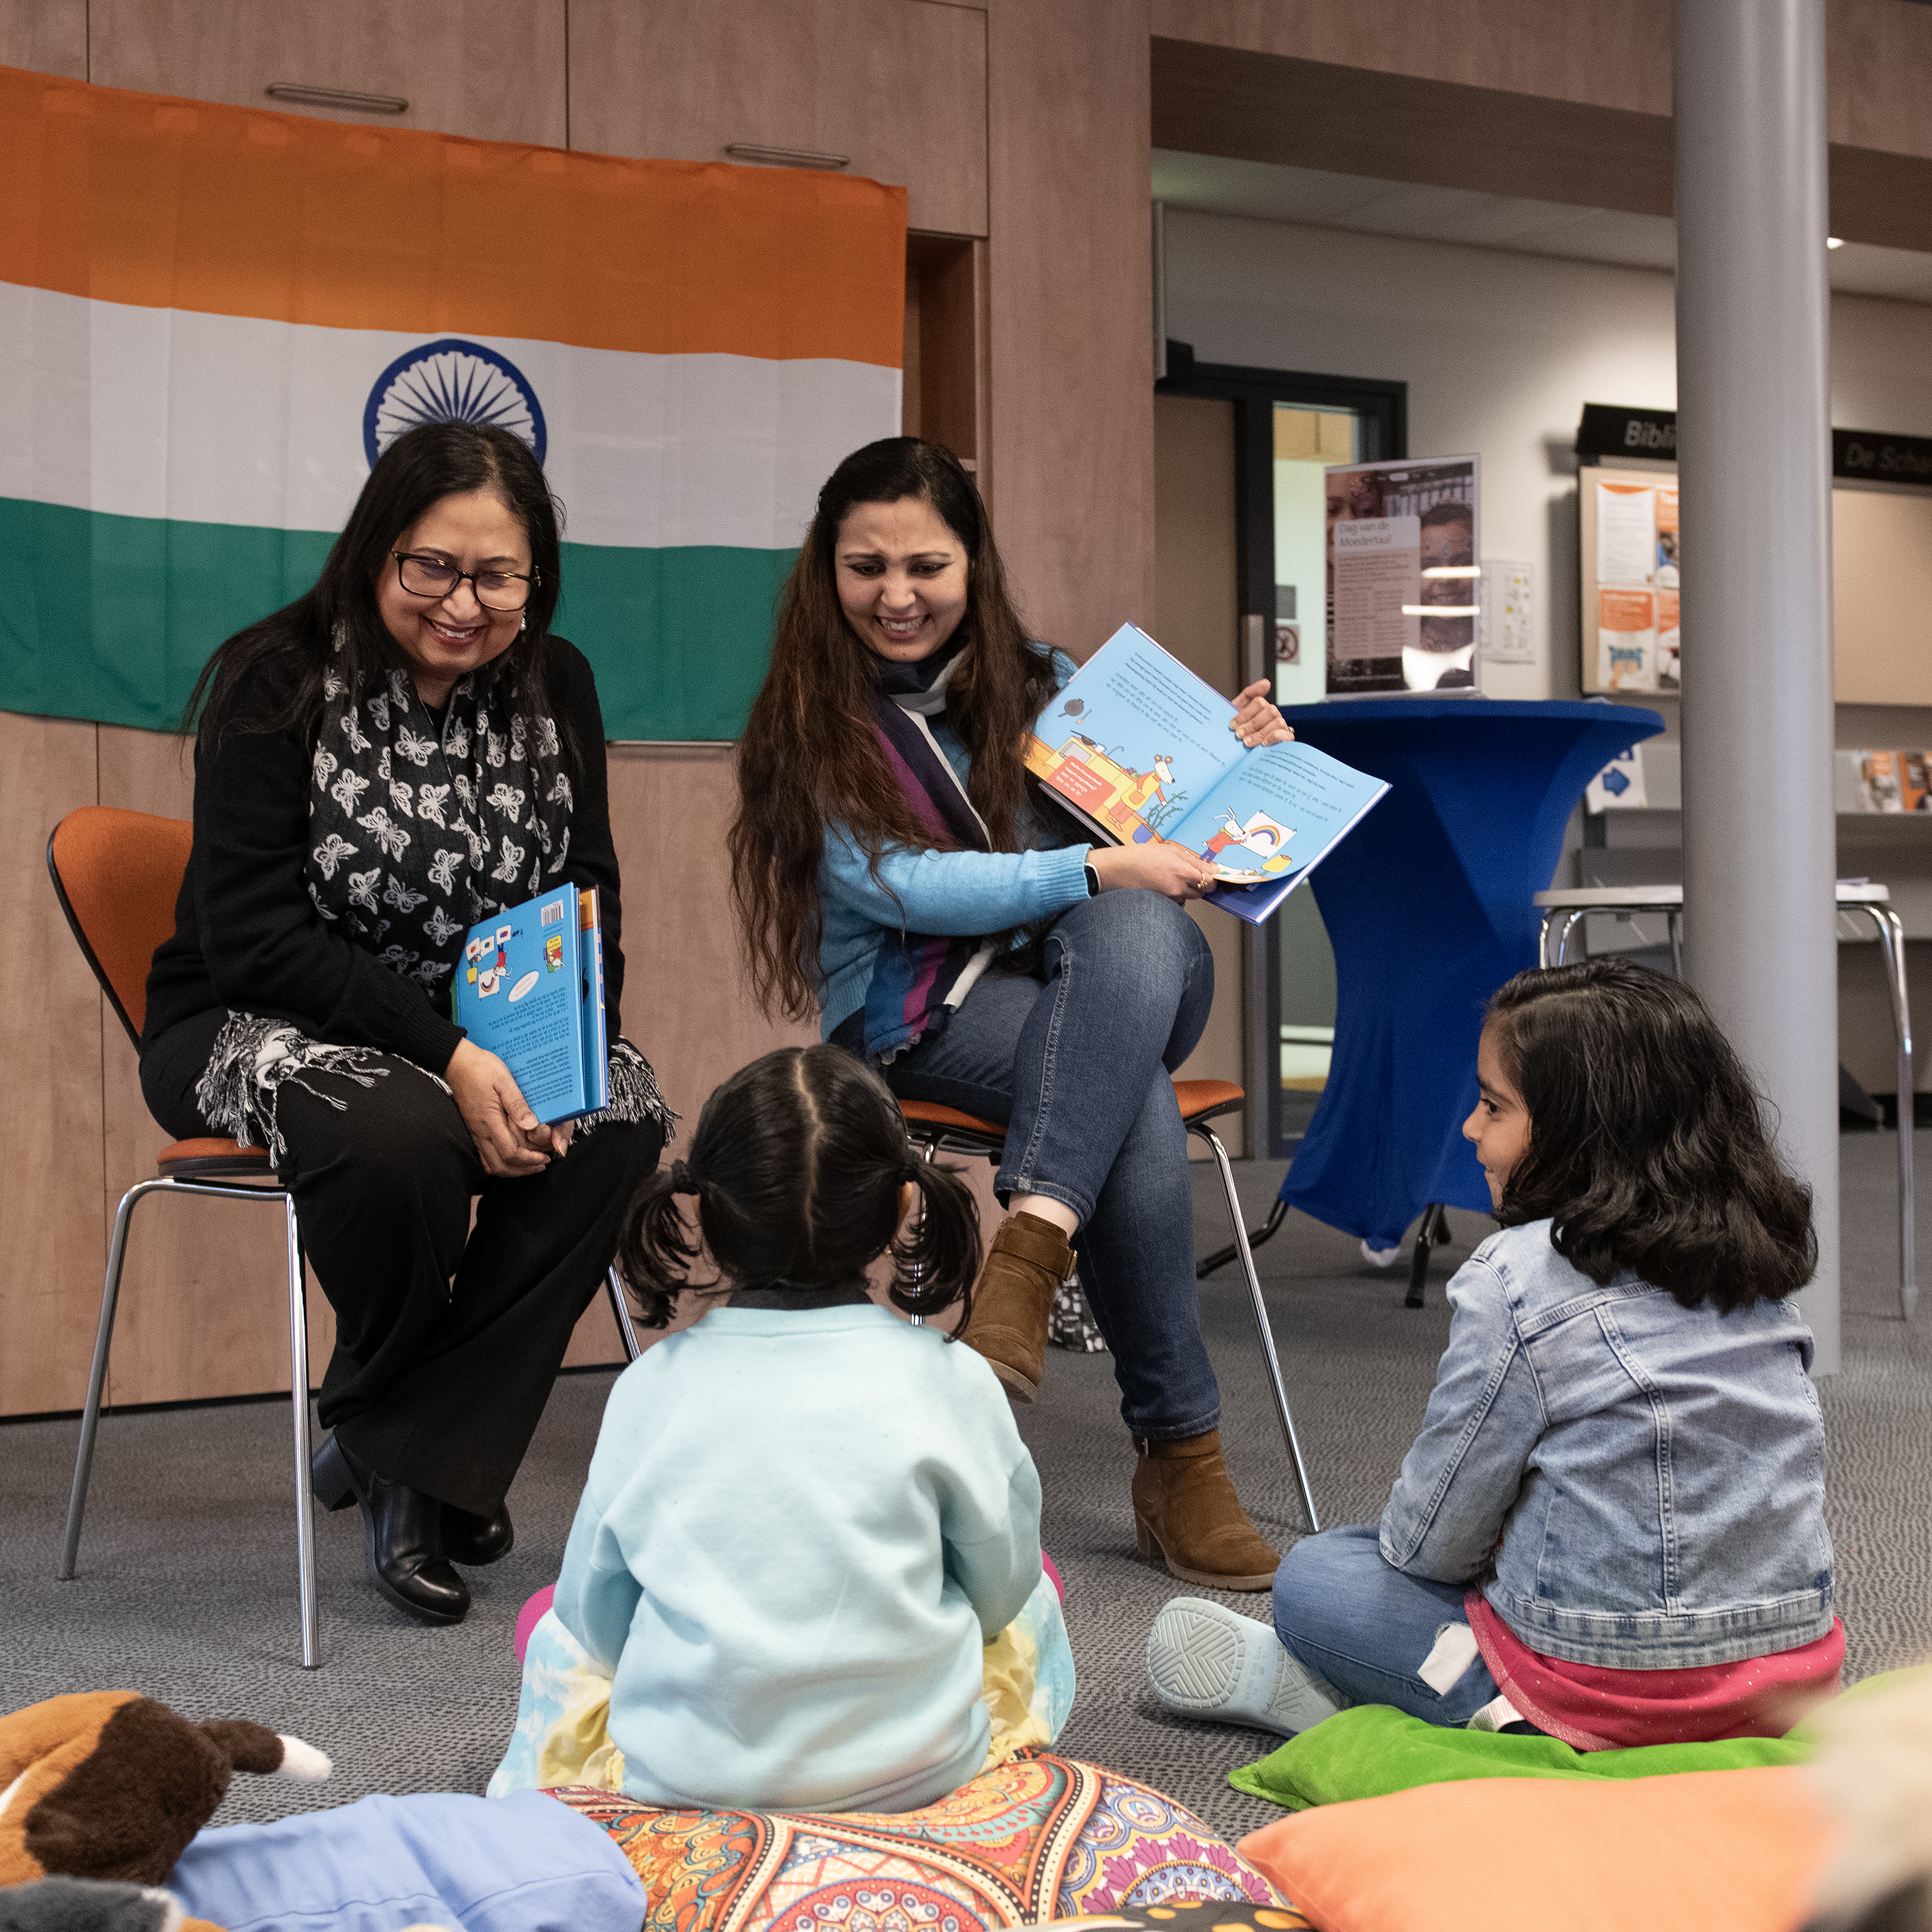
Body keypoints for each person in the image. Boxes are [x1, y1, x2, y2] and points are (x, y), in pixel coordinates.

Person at [729, 435, 1292, 1592]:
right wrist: (1089, 875)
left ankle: (1031, 1251)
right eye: (865, 566)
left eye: (925, 565)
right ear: (825, 571)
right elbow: (899, 886)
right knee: (1122, 1089)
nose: (896, 596)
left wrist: (1234, 764)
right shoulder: (808, 720)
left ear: (973, 563)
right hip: (920, 1020)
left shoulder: (1051, 682)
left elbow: (1159, 836)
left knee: (1139, 932)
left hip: (1108, 982)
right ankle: (1181, 1453)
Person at [140, 421, 671, 1627]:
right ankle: (423, 1459)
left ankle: (403, 1443)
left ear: (536, 581)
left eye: (497, 576)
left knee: (620, 1113)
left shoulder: (559, 683)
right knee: (399, 1131)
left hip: (475, 1030)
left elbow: (586, 895)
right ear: (377, 548)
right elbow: (252, 937)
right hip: (249, 1021)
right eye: (431, 566)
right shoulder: (275, 679)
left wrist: (564, 1051)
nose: (463, 603)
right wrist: (450, 1056)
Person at [1146, 957, 1843, 1748]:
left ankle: (1464, 1714)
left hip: (1604, 1684)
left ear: (1584, 1133)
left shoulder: (1518, 1277)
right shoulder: (1757, 1266)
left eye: (1492, 1106)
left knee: (1317, 1574)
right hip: (1789, 1679)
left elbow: (1429, 1545)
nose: (1471, 1130)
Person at [540, 1045, 1052, 1811]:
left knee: (552, 1635)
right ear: (905, 1208)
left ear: (704, 1212)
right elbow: (1001, 1588)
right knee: (1040, 1600)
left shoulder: (650, 1387)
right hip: (920, 1778)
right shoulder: (953, 1378)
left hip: (685, 1784)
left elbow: (597, 1616)